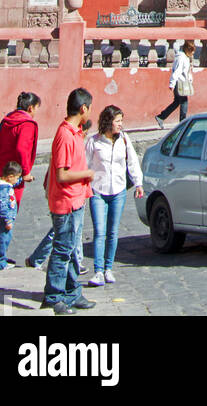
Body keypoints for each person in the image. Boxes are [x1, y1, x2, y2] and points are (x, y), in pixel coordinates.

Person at [41, 88, 96, 316]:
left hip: (76, 199)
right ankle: (54, 296)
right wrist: (86, 174)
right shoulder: (65, 135)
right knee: (62, 250)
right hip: (65, 201)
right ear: (83, 109)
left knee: (73, 249)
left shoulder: (76, 132)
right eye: (89, 108)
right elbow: (62, 174)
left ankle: (73, 292)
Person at [85, 105, 144, 287]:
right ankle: (98, 271)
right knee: (100, 231)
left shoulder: (124, 140)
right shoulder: (93, 141)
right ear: (108, 122)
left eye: (121, 121)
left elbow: (132, 162)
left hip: (118, 190)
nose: (121, 124)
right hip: (98, 191)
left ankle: (108, 268)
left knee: (112, 232)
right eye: (117, 121)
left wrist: (138, 183)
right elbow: (85, 165)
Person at [0, 92, 40, 268]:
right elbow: (22, 148)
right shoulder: (27, 124)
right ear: (31, 107)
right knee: (7, 217)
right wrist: (25, 172)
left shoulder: (8, 119)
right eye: (36, 109)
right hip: (13, 176)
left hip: (0, 172)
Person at [0, 160, 23, 270]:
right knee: (3, 239)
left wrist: (22, 179)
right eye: (17, 178)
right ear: (10, 176)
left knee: (3, 238)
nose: (17, 180)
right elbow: (3, 205)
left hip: (3, 218)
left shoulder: (4, 184)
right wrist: (8, 220)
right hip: (4, 219)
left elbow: (13, 183)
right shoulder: (3, 190)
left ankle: (0, 259)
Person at [156, 39, 196, 126]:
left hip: (181, 82)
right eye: (192, 51)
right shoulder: (181, 58)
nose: (193, 53)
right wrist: (172, 83)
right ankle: (183, 123)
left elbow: (186, 72)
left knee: (177, 102)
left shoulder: (185, 57)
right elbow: (177, 71)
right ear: (188, 50)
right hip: (179, 83)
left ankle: (161, 117)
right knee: (184, 102)